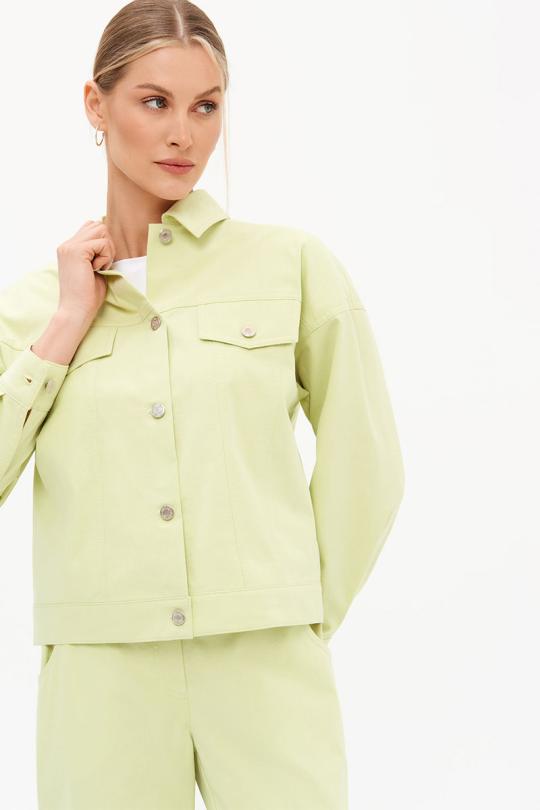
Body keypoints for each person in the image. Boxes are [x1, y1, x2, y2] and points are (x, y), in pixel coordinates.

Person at [0, 1, 405, 807]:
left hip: (265, 664)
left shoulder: (291, 265)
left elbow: (369, 462)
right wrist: (69, 323)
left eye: (206, 106)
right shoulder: (35, 307)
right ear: (96, 105)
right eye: (155, 102)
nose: (184, 134)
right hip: (101, 675)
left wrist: (296, 616)